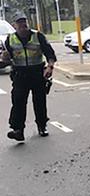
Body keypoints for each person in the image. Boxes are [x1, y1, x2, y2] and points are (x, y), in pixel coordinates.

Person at [0, 11, 57, 141]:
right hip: (20, 75)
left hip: (37, 73)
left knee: (39, 101)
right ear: (15, 25)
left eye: (24, 22)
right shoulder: (11, 39)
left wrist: (50, 67)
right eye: (19, 23)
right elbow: (7, 58)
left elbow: (50, 54)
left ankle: (42, 126)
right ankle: (18, 130)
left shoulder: (38, 36)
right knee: (18, 102)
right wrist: (5, 58)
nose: (23, 25)